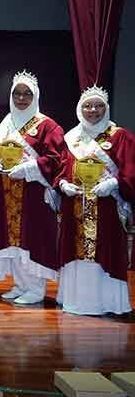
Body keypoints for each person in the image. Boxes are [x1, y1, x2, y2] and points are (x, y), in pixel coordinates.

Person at [0, 70, 65, 305]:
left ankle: (35, 288)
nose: (21, 98)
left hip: (34, 192)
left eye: (27, 94)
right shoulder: (6, 124)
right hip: (8, 191)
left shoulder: (47, 126)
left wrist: (30, 167)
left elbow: (55, 158)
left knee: (33, 239)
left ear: (36, 96)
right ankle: (20, 284)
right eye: (17, 94)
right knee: (14, 241)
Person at [54, 86, 133, 316]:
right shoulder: (70, 138)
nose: (93, 110)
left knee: (105, 250)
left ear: (106, 109)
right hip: (75, 205)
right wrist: (62, 184)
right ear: (80, 109)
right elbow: (61, 168)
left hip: (107, 206)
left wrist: (115, 183)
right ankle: (76, 301)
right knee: (75, 251)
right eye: (88, 106)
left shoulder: (120, 136)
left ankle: (108, 303)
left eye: (99, 106)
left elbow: (131, 170)